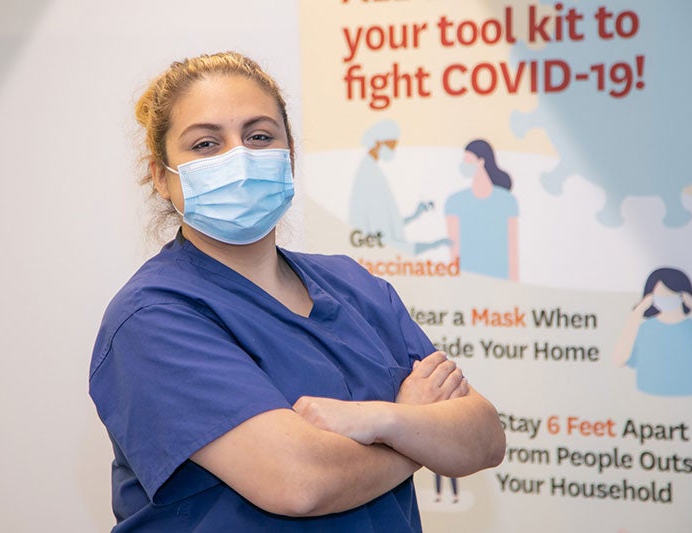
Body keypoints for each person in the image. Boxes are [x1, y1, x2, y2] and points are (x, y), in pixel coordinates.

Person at [89, 51, 506, 531]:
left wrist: (381, 421)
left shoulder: (355, 286)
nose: (239, 157)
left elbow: (484, 437)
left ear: (288, 157)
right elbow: (299, 482)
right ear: (162, 177)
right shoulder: (153, 318)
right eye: (205, 144)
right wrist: (415, 427)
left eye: (259, 136)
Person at [612, 267, 692, 396]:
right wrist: (637, 313)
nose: (667, 299)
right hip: (648, 399)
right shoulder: (645, 329)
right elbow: (619, 360)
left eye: (672, 295)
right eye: (661, 296)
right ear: (650, 298)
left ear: (685, 297)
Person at [348, 119, 449, 255]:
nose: (393, 151)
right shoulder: (369, 176)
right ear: (378, 143)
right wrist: (432, 245)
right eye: (391, 145)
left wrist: (414, 216)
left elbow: (386, 226)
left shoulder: (373, 171)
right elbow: (383, 238)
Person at [445, 139, 519, 279]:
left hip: (500, 281)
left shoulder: (507, 202)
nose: (464, 165)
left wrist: (514, 286)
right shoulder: (455, 202)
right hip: (467, 280)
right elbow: (454, 253)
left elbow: (512, 251)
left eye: (467, 160)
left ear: (481, 161)